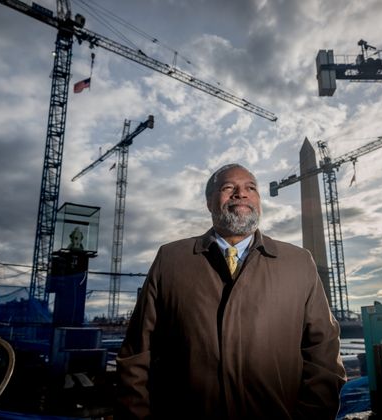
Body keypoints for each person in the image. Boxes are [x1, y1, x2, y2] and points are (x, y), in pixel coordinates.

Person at [116, 163, 346, 419]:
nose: (241, 193)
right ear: (209, 202)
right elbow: (136, 353)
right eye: (228, 188)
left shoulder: (299, 262)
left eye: (251, 188)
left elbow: (323, 353)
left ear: (258, 200)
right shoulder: (171, 259)